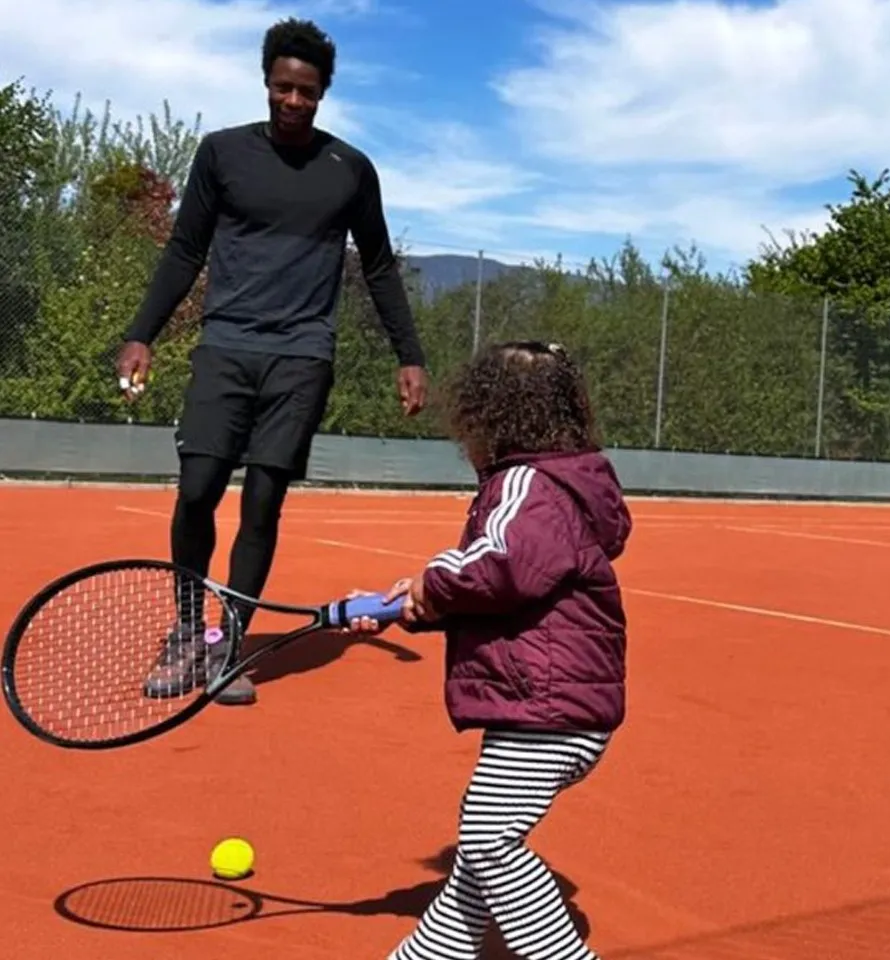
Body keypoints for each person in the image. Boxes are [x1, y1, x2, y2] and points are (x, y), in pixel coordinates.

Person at [117, 17, 428, 707]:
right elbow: (183, 250)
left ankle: (228, 644)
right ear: (265, 82)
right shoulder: (222, 154)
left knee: (263, 503)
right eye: (283, 88)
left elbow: (377, 266)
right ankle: (184, 630)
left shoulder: (350, 169)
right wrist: (143, 334)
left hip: (301, 354)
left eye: (307, 92)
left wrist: (409, 355)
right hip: (225, 344)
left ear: (323, 93)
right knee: (197, 489)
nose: (293, 102)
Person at [345, 340, 630, 960]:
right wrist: (419, 606)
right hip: (552, 700)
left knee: (488, 842)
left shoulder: (526, 483)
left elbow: (499, 566)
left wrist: (430, 584)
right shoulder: (562, 483)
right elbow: (501, 595)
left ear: (491, 418)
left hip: (547, 707)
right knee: (478, 858)